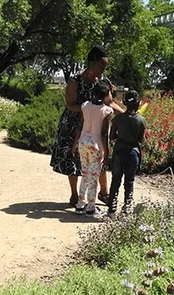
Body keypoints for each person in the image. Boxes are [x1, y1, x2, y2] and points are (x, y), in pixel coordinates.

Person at [50, 45, 123, 206]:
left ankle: (103, 193)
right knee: (74, 160)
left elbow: (109, 102)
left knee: (100, 157)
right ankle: (75, 195)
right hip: (73, 125)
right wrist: (89, 109)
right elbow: (70, 104)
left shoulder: (104, 82)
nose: (102, 70)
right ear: (92, 62)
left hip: (95, 126)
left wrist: (124, 114)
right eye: (100, 66)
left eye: (105, 67)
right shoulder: (75, 81)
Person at [72, 82, 113, 217]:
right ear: (106, 95)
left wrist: (75, 144)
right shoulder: (106, 111)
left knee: (85, 174)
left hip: (83, 143)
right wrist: (106, 152)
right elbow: (104, 133)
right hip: (96, 146)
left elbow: (80, 126)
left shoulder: (85, 106)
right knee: (94, 177)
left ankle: (80, 204)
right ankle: (91, 207)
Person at [107, 89, 147, 218]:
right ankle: (126, 208)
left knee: (115, 180)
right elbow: (140, 139)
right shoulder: (141, 120)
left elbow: (112, 136)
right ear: (139, 103)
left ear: (124, 103)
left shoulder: (118, 119)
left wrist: (121, 135)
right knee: (129, 181)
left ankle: (112, 208)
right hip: (133, 153)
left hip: (119, 151)